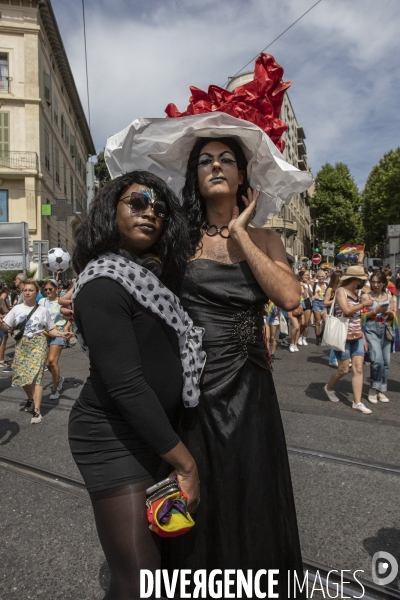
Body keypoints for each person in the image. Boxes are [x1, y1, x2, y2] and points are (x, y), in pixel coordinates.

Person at [162, 136, 305, 595]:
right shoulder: (178, 240)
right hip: (196, 386)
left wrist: (242, 232)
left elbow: (289, 296)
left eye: (227, 159)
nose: (216, 166)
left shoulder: (264, 238)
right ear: (196, 179)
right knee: (204, 485)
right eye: (205, 161)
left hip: (251, 385)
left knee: (253, 487)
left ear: (243, 176)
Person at [68, 170, 203, 600]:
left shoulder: (155, 280)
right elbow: (126, 386)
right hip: (111, 437)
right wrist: (186, 464)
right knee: (140, 578)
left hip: (153, 434)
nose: (151, 213)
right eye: (137, 202)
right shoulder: (103, 282)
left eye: (160, 208)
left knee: (155, 567)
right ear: (112, 211)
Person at [0, 279, 71, 423]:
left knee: (37, 376)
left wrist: (62, 334)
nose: (27, 293)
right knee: (22, 377)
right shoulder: (17, 309)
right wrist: (7, 327)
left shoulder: (42, 310)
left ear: (36, 293)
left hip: (38, 344)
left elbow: (50, 329)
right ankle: (30, 398)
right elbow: (6, 326)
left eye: (30, 290)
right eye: (25, 290)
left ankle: (37, 411)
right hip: (22, 345)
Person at [323, 266, 374, 413]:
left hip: (357, 335)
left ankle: (357, 403)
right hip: (343, 337)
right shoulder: (341, 291)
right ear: (356, 279)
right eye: (362, 280)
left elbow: (357, 318)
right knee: (344, 369)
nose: (363, 283)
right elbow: (346, 311)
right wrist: (364, 304)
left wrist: (363, 337)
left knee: (358, 368)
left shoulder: (357, 294)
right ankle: (328, 387)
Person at [361, 270, 399, 403]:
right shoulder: (366, 297)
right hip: (371, 329)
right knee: (377, 360)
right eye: (373, 282)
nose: (376, 284)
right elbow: (362, 318)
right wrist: (375, 311)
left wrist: (390, 313)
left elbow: (395, 315)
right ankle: (373, 387)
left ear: (384, 283)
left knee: (386, 362)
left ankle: (381, 389)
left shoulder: (389, 296)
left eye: (379, 282)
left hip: (386, 329)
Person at [39, 279, 67, 399]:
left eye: (50, 289)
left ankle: (55, 390)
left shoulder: (61, 302)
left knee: (52, 361)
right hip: (44, 333)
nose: (48, 291)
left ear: (56, 289)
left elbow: (70, 317)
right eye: (46, 289)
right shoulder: (42, 301)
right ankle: (59, 379)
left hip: (58, 331)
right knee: (46, 363)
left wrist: (65, 329)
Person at [323, 272, 342, 367]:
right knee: (335, 337)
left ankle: (339, 358)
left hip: (341, 314)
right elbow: (325, 303)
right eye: (340, 277)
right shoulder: (330, 289)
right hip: (333, 314)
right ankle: (332, 358)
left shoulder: (341, 289)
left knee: (340, 337)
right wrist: (336, 299)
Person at [312, 270, 327, 345]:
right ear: (317, 277)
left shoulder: (326, 284)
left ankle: (321, 334)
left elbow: (330, 294)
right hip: (316, 303)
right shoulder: (314, 284)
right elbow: (310, 291)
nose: (321, 278)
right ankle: (317, 337)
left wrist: (326, 290)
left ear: (324, 277)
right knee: (317, 322)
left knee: (325, 321)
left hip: (324, 303)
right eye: (319, 276)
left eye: (322, 276)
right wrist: (312, 296)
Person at [298, 270, 313, 346]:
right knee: (302, 323)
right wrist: (302, 287)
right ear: (301, 276)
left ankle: (304, 338)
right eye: (304, 275)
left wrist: (308, 286)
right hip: (301, 302)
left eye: (307, 275)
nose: (306, 277)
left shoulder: (308, 284)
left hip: (307, 302)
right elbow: (302, 295)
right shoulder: (299, 284)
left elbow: (310, 295)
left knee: (307, 323)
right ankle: (299, 336)